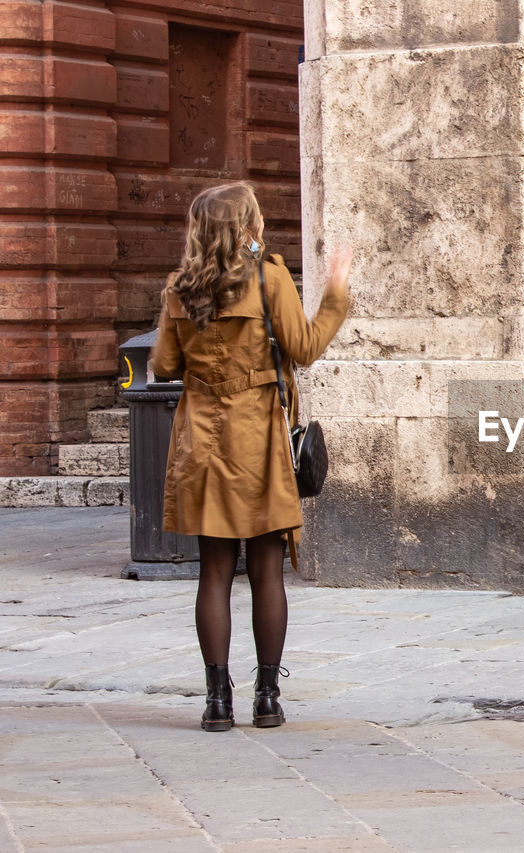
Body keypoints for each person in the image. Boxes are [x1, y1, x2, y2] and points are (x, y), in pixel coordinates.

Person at [150, 182, 351, 729]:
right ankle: (267, 697)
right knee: (266, 570)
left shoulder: (179, 290)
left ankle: (217, 702)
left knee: (213, 572)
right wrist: (335, 294)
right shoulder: (269, 277)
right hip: (258, 436)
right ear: (247, 227)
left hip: (202, 439)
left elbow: (164, 367)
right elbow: (305, 348)